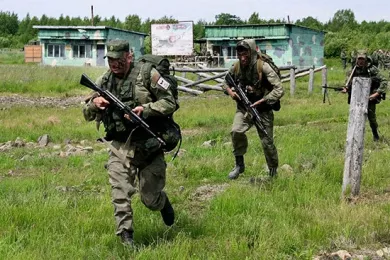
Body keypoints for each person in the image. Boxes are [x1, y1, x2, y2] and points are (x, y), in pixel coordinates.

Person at [83, 40, 177, 246]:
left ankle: (163, 203)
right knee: (120, 191)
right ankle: (126, 236)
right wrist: (94, 105)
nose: (114, 64)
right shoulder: (104, 81)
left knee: (150, 200)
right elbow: (86, 113)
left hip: (150, 144)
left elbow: (170, 102)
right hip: (120, 146)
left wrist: (147, 109)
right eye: (110, 60)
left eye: (118, 60)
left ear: (129, 57)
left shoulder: (147, 74)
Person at [223, 39, 284, 180]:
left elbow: (279, 89)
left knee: (267, 142)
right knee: (236, 131)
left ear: (251, 53)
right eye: (240, 55)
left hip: (262, 109)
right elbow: (225, 82)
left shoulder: (263, 67)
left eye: (245, 55)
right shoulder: (236, 67)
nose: (242, 58)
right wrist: (232, 93)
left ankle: (273, 172)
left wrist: (264, 100)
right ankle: (239, 165)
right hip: (244, 107)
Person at [342, 50, 388, 141]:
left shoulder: (372, 69)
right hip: (356, 98)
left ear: (366, 60)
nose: (361, 61)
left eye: (363, 59)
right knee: (355, 117)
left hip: (370, 97)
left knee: (372, 118)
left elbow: (384, 81)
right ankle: (355, 137)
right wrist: (346, 89)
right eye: (359, 59)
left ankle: (376, 135)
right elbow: (348, 83)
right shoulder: (353, 70)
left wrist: (377, 93)